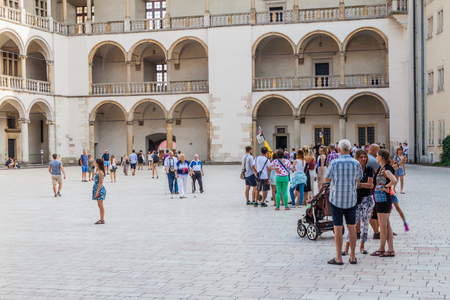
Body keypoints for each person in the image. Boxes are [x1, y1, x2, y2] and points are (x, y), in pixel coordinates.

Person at [325, 139, 362, 265]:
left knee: (338, 228)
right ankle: (352, 256)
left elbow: (326, 178)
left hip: (336, 198)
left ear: (338, 149)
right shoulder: (356, 163)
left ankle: (339, 257)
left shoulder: (334, 162)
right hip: (351, 199)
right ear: (351, 150)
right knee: (352, 227)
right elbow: (359, 178)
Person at [342, 150, 375, 256]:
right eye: (361, 157)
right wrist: (362, 184)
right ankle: (347, 247)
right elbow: (350, 184)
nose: (363, 159)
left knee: (365, 223)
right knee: (352, 224)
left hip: (367, 198)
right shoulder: (353, 168)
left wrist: (358, 184)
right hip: (354, 198)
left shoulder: (369, 169)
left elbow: (370, 185)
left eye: (365, 157)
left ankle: (362, 245)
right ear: (356, 158)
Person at [370, 149, 397, 257]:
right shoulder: (383, 168)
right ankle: (390, 249)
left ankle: (381, 248)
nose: (375, 157)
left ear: (381, 157)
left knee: (383, 225)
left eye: (376, 156)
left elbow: (394, 180)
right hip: (381, 200)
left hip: (383, 200)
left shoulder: (385, 169)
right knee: (387, 225)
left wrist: (386, 186)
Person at [92, 159, 107, 225]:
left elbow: (100, 182)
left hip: (100, 189)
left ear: (98, 164)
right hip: (96, 188)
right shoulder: (97, 171)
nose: (94, 163)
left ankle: (102, 219)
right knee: (99, 205)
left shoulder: (100, 172)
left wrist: (97, 191)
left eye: (95, 162)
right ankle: (101, 218)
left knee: (101, 205)